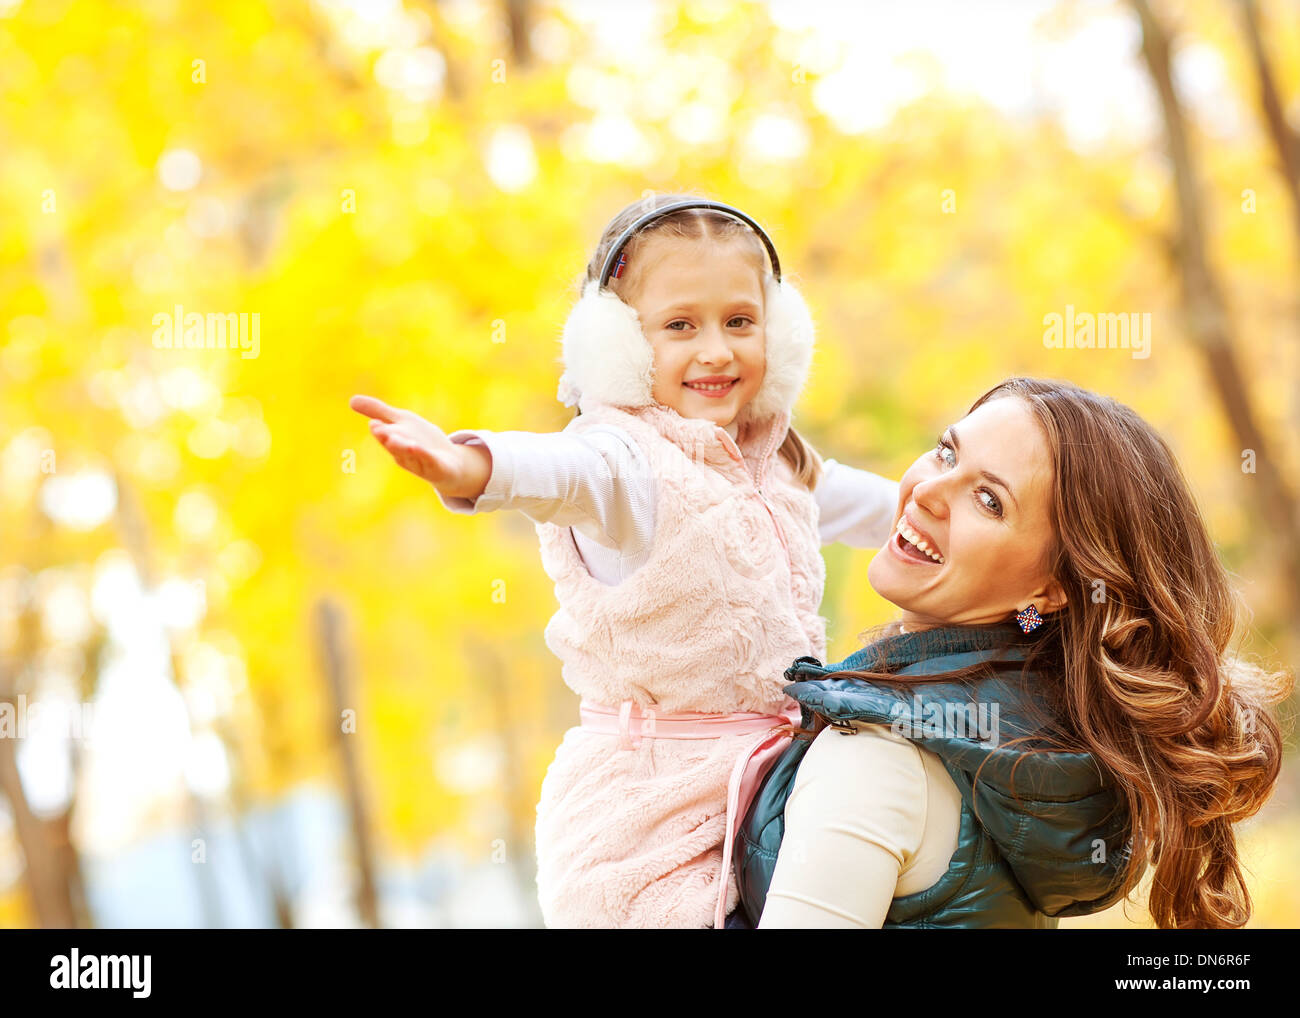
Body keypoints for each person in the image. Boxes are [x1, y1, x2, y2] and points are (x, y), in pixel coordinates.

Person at [349, 194, 899, 928]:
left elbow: (886, 508)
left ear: (781, 330)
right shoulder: (624, 463)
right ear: (618, 346)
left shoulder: (777, 462)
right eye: (679, 326)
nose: (716, 350)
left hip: (768, 789)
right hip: (649, 820)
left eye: (740, 321)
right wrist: (471, 465)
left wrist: (973, 512)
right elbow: (559, 470)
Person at [735, 377, 1291, 929]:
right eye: (946, 452)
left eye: (988, 500)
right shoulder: (1033, 739)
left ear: (1049, 592)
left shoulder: (877, 759)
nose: (928, 490)